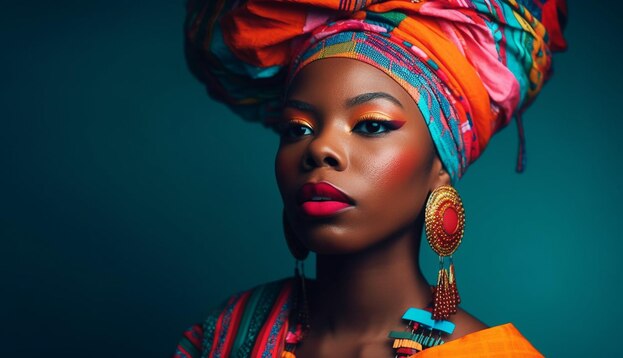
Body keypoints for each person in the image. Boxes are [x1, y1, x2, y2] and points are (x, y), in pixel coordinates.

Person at [175, 0, 567, 357]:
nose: (319, 149)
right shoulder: (225, 334)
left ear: (441, 165)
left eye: (371, 125)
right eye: (297, 129)